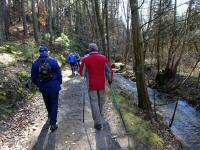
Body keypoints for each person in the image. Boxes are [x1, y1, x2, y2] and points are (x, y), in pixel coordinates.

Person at [79, 43, 113, 130]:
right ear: (97, 49)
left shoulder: (86, 59)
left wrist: (87, 72)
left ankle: (98, 122)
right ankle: (100, 115)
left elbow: (81, 73)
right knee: (101, 100)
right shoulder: (104, 58)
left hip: (91, 85)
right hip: (102, 83)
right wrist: (110, 80)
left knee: (94, 102)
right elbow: (109, 70)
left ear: (89, 50)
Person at [31, 46, 62, 132]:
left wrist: (39, 84)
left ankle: (49, 114)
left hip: (43, 87)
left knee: (47, 101)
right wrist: (59, 82)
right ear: (47, 52)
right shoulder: (54, 61)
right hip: (54, 86)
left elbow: (33, 78)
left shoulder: (35, 63)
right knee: (54, 103)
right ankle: (53, 123)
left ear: (40, 53)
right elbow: (59, 74)